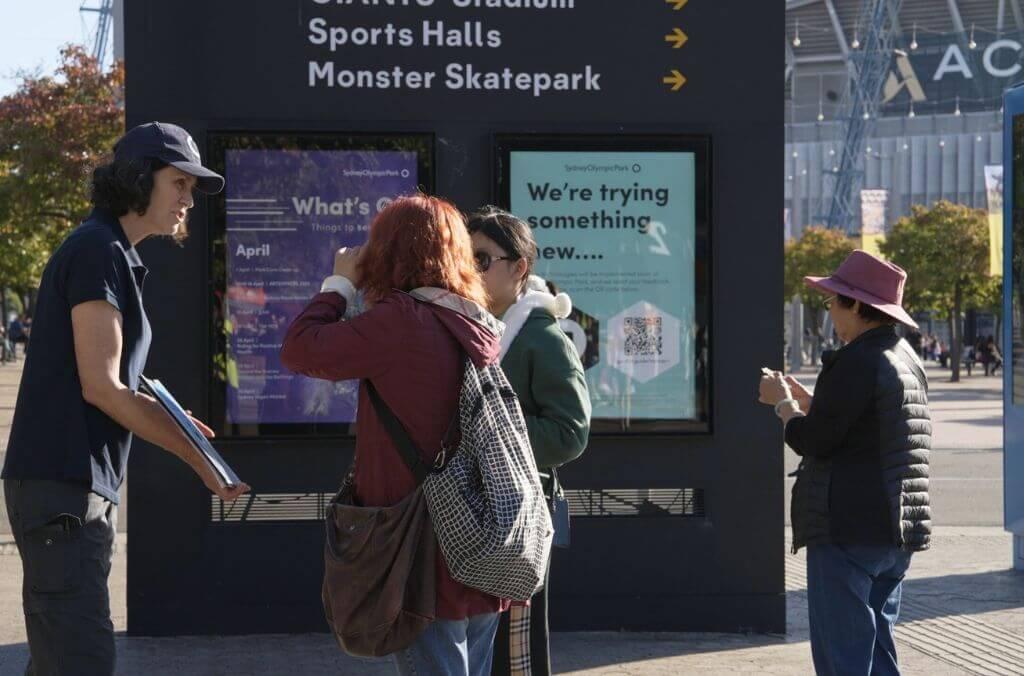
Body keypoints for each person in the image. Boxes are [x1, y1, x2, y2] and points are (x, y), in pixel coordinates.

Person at [1, 122, 250, 676]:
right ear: (139, 180)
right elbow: (102, 387)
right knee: (80, 661)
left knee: (62, 660)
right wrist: (198, 461)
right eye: (179, 183)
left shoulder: (113, 252)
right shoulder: (97, 251)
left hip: (75, 490)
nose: (188, 199)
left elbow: (111, 382)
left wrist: (173, 418)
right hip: (64, 490)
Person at [280, 195, 509, 676]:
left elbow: (300, 349)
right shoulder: (471, 320)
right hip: (479, 541)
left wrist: (340, 282)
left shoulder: (405, 320)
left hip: (417, 549)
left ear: (389, 252)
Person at [758, 250, 931, 676]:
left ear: (857, 306)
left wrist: (781, 405)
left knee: (844, 656)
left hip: (847, 528)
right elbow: (866, 427)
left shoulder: (855, 360)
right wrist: (808, 401)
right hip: (895, 527)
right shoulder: (904, 357)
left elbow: (815, 440)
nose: (831, 309)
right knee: (878, 650)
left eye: (835, 300)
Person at [466, 207, 591, 676]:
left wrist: (487, 435)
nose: (469, 268)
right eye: (463, 256)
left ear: (519, 268)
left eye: (481, 259)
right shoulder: (472, 325)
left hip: (518, 512)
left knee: (514, 653)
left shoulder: (542, 336)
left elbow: (570, 432)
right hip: (473, 511)